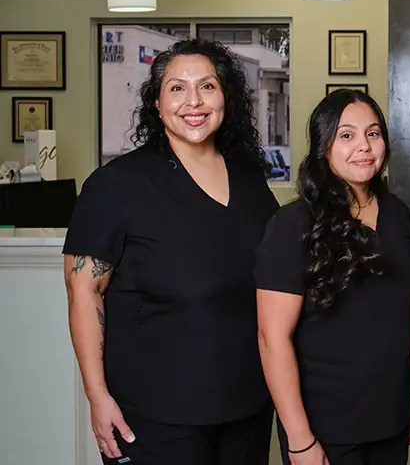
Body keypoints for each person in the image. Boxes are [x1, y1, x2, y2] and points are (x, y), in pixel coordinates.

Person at [63, 38, 280, 464]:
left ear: (225, 97)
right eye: (177, 88)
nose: (193, 101)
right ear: (157, 103)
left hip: (248, 407)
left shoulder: (250, 179)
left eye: (207, 86)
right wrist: (97, 395)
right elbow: (83, 293)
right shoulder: (116, 185)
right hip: (153, 416)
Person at [255, 89, 410, 465]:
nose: (363, 146)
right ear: (323, 147)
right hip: (324, 427)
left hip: (391, 418)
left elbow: (408, 311)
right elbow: (272, 338)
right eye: (346, 135)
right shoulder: (292, 225)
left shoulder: (399, 215)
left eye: (373, 133)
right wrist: (299, 439)